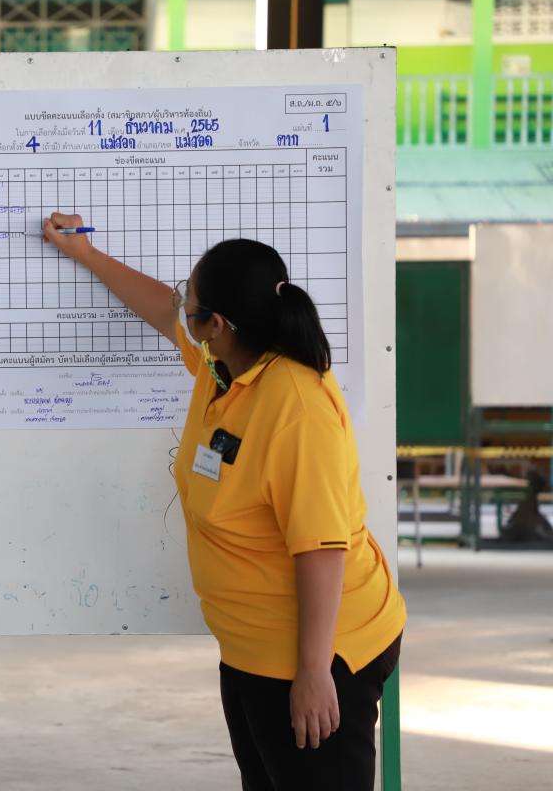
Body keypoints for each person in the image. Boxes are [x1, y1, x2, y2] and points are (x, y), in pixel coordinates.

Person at [43, 213, 406, 791]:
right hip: (251, 647)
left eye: (190, 300)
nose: (180, 304)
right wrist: (86, 255)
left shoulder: (295, 408)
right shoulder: (226, 368)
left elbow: (321, 548)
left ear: (216, 324)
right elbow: (163, 309)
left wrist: (314, 673)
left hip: (315, 655)